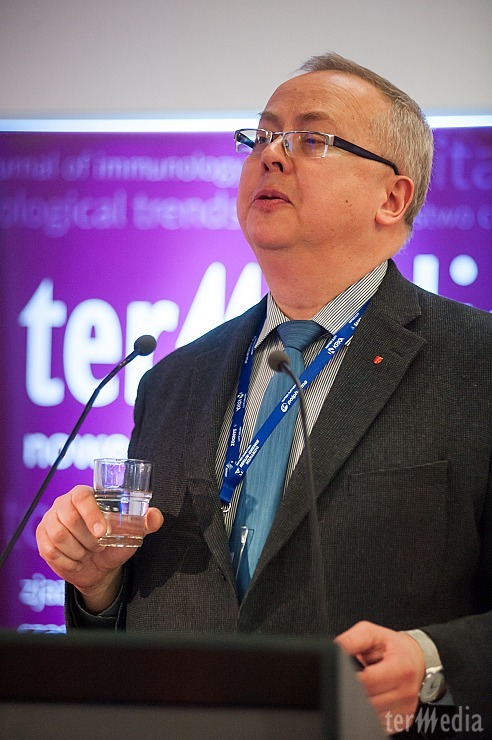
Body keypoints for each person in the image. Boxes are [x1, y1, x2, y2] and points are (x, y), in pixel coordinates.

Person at [37, 52, 492, 737]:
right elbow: (150, 622)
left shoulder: (477, 363)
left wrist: (433, 662)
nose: (271, 155)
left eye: (312, 139)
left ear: (392, 198)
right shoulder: (173, 381)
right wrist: (99, 587)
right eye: (262, 136)